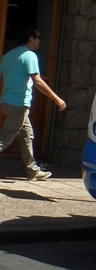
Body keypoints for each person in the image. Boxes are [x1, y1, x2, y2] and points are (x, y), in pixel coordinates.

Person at [0, 27, 67, 180]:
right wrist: (57, 98)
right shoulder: (29, 55)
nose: (39, 41)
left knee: (26, 135)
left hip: (7, 102)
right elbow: (37, 80)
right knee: (4, 139)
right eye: (38, 37)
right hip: (18, 104)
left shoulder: (8, 56)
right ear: (31, 38)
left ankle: (33, 171)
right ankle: (33, 170)